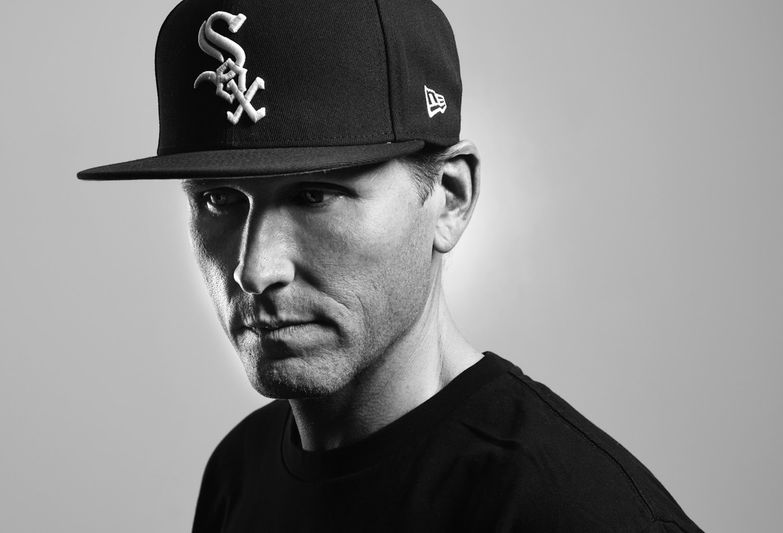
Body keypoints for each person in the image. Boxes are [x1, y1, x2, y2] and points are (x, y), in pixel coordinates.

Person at [79, 0, 704, 531]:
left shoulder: (574, 513)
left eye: (314, 196)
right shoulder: (239, 471)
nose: (255, 269)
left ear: (449, 198)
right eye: (218, 200)